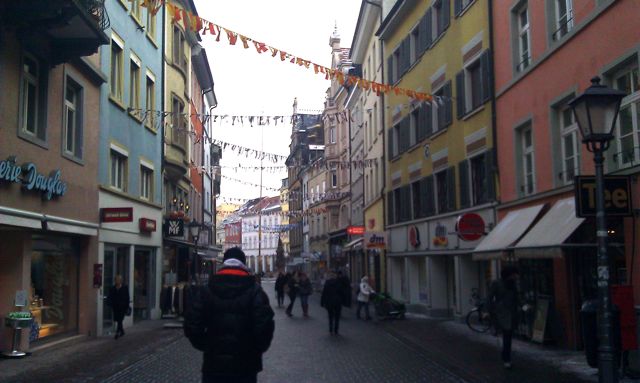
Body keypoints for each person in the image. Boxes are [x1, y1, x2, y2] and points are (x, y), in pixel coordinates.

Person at [184, 247, 275, 383]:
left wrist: (206, 345)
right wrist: (254, 350)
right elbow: (265, 327)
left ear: (224, 263)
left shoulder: (207, 290)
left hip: (214, 366)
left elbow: (192, 323)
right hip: (245, 368)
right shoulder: (255, 291)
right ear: (243, 264)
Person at [488, 265, 520, 369]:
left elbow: (516, 298)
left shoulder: (513, 284)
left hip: (512, 313)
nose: (516, 276)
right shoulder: (497, 283)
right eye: (515, 274)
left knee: (508, 336)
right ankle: (507, 358)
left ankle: (506, 356)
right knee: (507, 334)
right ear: (509, 275)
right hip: (502, 313)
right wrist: (488, 310)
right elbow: (489, 297)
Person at [107, 275, 130, 339]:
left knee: (120, 319)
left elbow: (127, 298)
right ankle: (122, 331)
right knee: (118, 319)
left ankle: (117, 332)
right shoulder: (112, 288)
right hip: (115, 307)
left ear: (121, 281)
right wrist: (110, 303)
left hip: (123, 307)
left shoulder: (125, 288)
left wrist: (127, 306)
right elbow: (110, 297)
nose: (117, 281)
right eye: (116, 280)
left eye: (119, 280)